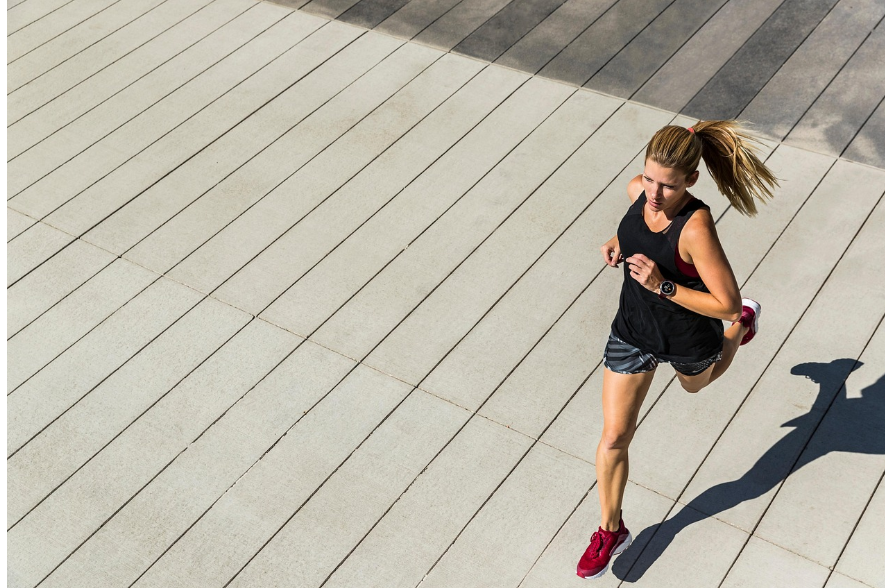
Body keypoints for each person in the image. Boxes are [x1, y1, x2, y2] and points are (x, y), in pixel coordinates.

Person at [576, 121, 778, 579]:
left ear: (691, 180)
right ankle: (611, 530)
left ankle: (744, 329)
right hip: (633, 330)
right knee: (614, 437)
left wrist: (662, 285)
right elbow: (636, 224)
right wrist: (617, 241)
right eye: (649, 178)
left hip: (688, 334)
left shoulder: (695, 227)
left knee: (696, 385)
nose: (654, 193)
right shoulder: (639, 191)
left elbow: (725, 302)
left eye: (667, 185)